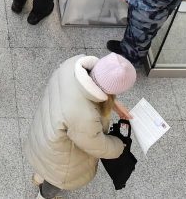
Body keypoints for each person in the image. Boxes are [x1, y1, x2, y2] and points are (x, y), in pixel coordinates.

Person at [24, 53, 137, 197]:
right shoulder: (86, 116)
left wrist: (113, 104)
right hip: (61, 160)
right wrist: (120, 145)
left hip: (44, 133)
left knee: (45, 164)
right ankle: (43, 196)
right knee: (54, 183)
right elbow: (98, 146)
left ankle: (38, 177)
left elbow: (96, 83)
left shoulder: (73, 64)